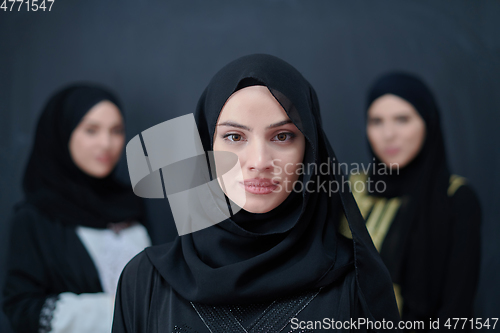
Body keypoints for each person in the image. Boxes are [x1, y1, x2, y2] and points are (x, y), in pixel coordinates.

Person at [112, 54, 400, 333]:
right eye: (234, 137)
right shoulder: (144, 280)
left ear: (310, 151)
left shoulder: (356, 281)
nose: (260, 161)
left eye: (282, 136)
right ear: (205, 147)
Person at [3, 84, 151, 332]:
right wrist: (122, 310)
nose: (106, 143)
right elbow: (21, 308)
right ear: (63, 133)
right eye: (91, 130)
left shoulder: (131, 203)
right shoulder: (34, 217)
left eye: (116, 131)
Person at [347, 72, 481, 330]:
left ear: (428, 122)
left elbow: (457, 310)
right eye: (376, 121)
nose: (388, 134)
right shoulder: (354, 188)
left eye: (402, 119)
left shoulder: (456, 199)